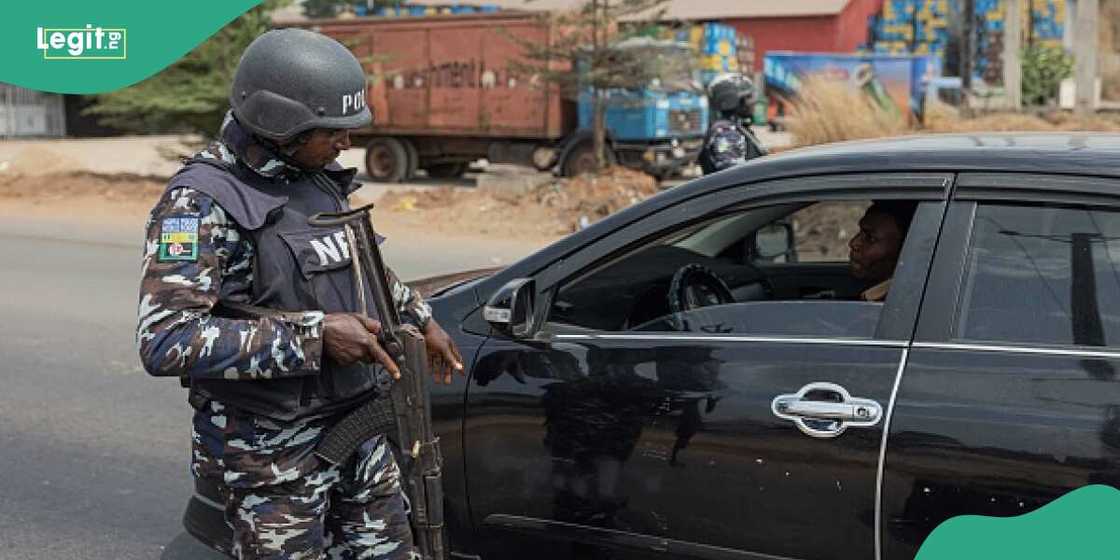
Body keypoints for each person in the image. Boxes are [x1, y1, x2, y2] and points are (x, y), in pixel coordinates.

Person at [136, 29, 463, 560]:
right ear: (279, 124)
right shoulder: (199, 203)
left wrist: (421, 317)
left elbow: (359, 267)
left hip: (358, 430)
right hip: (273, 462)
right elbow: (167, 339)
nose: (345, 143)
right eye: (330, 130)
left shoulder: (319, 178)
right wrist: (314, 336)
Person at [698, 73, 768, 175]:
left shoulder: (736, 128)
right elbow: (734, 177)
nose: (753, 102)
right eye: (748, 97)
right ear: (732, 101)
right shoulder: (726, 133)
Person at [848, 200, 918, 302]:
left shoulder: (900, 304)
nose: (853, 243)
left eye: (870, 238)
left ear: (905, 248)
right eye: (860, 232)